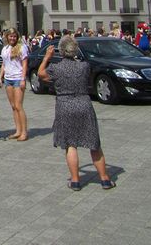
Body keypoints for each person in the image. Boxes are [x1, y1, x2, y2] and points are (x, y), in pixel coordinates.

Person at [38, 35, 115, 191]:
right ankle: (105, 179)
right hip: (84, 103)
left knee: (71, 145)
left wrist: (47, 58)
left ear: (61, 50)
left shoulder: (56, 68)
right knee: (94, 144)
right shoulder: (84, 66)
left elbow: (41, 74)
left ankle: (75, 180)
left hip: (65, 105)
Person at [0, 28, 29, 141]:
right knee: (13, 106)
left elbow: (25, 64)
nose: (12, 38)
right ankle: (18, 130)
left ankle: (24, 132)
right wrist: (0, 76)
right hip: (8, 79)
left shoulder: (22, 47)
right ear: (7, 37)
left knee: (18, 106)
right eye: (11, 36)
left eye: (14, 36)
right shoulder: (5, 49)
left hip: (18, 78)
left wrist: (23, 79)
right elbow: (4, 64)